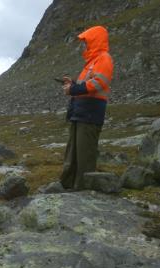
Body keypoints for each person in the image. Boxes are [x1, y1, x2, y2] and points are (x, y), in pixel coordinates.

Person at [60, 26, 114, 190]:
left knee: (85, 154)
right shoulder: (90, 62)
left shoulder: (104, 59)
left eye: (86, 42)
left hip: (90, 115)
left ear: (95, 41)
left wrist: (73, 89)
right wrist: (73, 84)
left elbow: (99, 83)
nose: (84, 45)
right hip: (80, 113)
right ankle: (68, 184)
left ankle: (83, 189)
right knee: (73, 152)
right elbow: (86, 86)